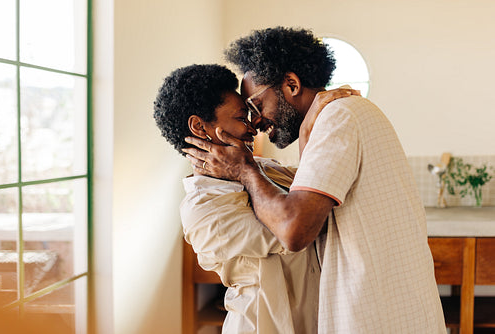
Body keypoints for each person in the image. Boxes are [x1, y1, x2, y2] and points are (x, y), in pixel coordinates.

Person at [183, 27, 447, 333]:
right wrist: (306, 134)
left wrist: (245, 170)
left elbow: (294, 228)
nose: (255, 123)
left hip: (373, 312)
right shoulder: (345, 114)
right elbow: (307, 193)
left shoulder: (338, 118)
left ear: (291, 85)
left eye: (254, 107)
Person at [153, 64, 357, 333]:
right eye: (241, 118)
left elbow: (320, 189)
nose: (253, 128)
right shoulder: (202, 209)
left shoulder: (262, 168)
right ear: (199, 127)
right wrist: (247, 168)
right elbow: (302, 226)